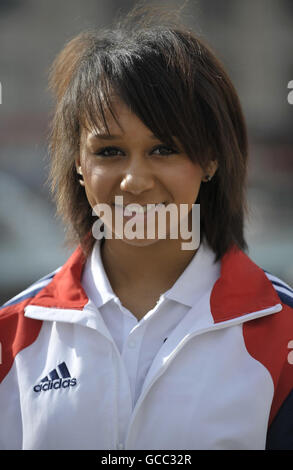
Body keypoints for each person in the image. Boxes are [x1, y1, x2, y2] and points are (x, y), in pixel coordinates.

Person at [0, 5, 292, 451]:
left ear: (210, 158)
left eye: (163, 149)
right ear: (78, 163)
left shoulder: (283, 332)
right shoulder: (13, 333)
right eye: (110, 151)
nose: (135, 180)